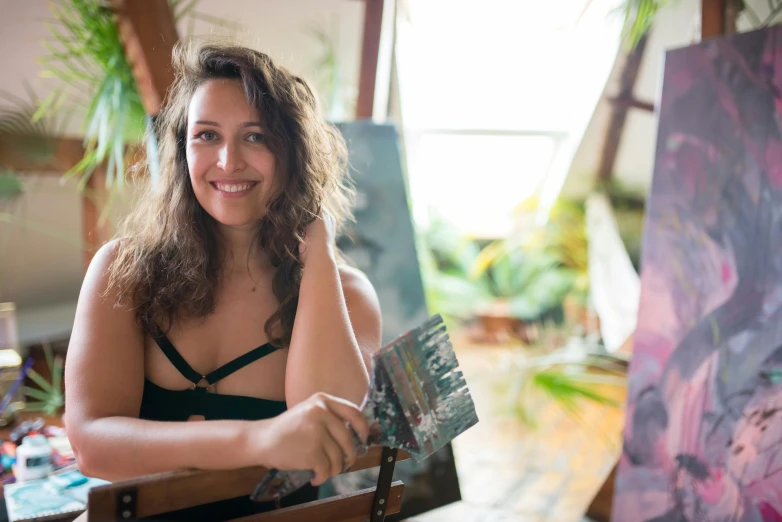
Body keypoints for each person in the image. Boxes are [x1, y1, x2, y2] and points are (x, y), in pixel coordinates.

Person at [63, 38, 381, 520]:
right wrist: (260, 437)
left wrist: (317, 241)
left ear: (293, 153)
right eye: (207, 135)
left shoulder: (347, 295)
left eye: (256, 137)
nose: (229, 161)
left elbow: (334, 438)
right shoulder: (123, 272)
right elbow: (92, 447)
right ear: (182, 150)